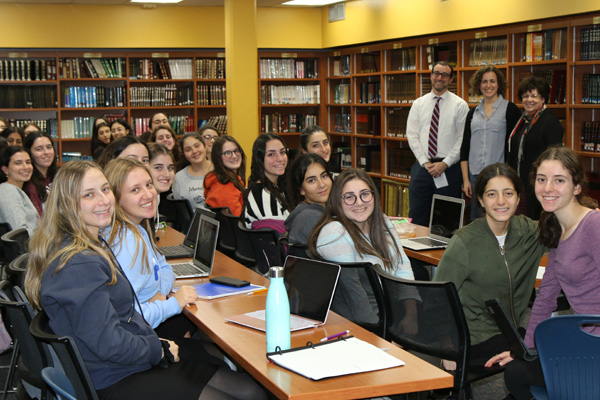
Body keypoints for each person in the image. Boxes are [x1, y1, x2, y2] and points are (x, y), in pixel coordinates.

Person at [24, 160, 266, 400]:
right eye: (89, 194)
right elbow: (107, 343)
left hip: (126, 361)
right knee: (246, 393)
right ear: (67, 205)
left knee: (250, 391)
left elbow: (118, 322)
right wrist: (157, 349)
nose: (104, 200)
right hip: (114, 377)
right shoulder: (79, 264)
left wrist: (154, 343)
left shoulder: (93, 246)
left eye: (105, 189)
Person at [486, 147, 600, 400]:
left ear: (577, 187)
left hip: (593, 346)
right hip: (583, 340)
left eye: (559, 180)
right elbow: (546, 297)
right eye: (541, 179)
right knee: (516, 372)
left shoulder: (594, 225)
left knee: (518, 377)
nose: (548, 187)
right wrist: (524, 349)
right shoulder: (558, 228)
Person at [433, 163, 546, 366]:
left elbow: (566, 225)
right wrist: (447, 346)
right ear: (481, 200)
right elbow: (437, 297)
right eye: (492, 194)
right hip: (475, 336)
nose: (501, 201)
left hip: (513, 330)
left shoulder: (530, 233)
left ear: (519, 198)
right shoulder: (464, 242)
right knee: (532, 365)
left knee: (548, 351)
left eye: (508, 193)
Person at [104, 158, 198, 337]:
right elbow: (127, 319)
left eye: (148, 184)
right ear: (116, 199)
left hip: (148, 320)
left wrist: (159, 294)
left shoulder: (137, 228)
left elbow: (164, 267)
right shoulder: (127, 242)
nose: (148, 194)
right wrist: (171, 304)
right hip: (136, 336)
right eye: (135, 190)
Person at [309, 168, 415, 325]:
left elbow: (402, 266)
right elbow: (355, 296)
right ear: (337, 201)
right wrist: (384, 338)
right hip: (360, 322)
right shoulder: (335, 232)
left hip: (390, 306)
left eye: (365, 194)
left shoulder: (382, 221)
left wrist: (412, 316)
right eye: (349, 197)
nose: (359, 203)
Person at [406, 61, 469, 226]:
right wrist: (425, 162)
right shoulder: (419, 104)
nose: (440, 77)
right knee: (417, 217)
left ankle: (444, 252)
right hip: (422, 168)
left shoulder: (460, 106)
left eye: (445, 75)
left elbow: (462, 140)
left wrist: (445, 163)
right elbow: (412, 135)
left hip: (449, 170)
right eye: (437, 73)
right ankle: (415, 251)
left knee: (447, 219)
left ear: (451, 80)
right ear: (431, 76)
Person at [460, 66, 520, 221]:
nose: (488, 85)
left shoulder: (510, 109)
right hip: (474, 176)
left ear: (498, 84)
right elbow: (465, 147)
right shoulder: (472, 113)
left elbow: (515, 148)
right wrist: (466, 180)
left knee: (498, 217)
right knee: (477, 219)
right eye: (484, 81)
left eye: (492, 81)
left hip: (499, 176)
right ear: (478, 85)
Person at [506, 76, 563, 219]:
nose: (529, 100)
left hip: (540, 184)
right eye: (525, 96)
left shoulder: (549, 121)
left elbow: (554, 157)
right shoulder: (523, 120)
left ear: (543, 99)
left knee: (536, 222)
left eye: (534, 96)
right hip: (522, 182)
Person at [242, 133, 290, 229]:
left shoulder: (273, 186)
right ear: (260, 159)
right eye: (271, 154)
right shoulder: (264, 195)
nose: (280, 159)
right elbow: (279, 237)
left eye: (282, 152)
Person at [285, 153, 332, 245]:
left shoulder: (312, 211)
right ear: (301, 190)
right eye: (312, 181)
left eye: (324, 176)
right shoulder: (310, 218)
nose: (322, 184)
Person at [203, 135, 246, 216]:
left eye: (236, 150)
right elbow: (237, 220)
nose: (234, 156)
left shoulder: (217, 178)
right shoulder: (225, 187)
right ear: (218, 158)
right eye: (227, 153)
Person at [0, 146, 38, 234]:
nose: (25, 167)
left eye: (28, 162)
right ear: (5, 170)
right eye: (18, 163)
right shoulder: (8, 191)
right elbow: (19, 232)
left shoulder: (16, 189)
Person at [172, 132, 213, 210]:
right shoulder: (179, 178)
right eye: (188, 149)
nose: (194, 151)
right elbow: (181, 211)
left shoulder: (220, 169)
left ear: (204, 146)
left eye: (197, 146)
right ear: (184, 154)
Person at [23, 131, 57, 216]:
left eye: (49, 147)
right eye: (39, 149)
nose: (46, 152)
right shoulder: (30, 186)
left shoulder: (56, 176)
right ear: (29, 153)